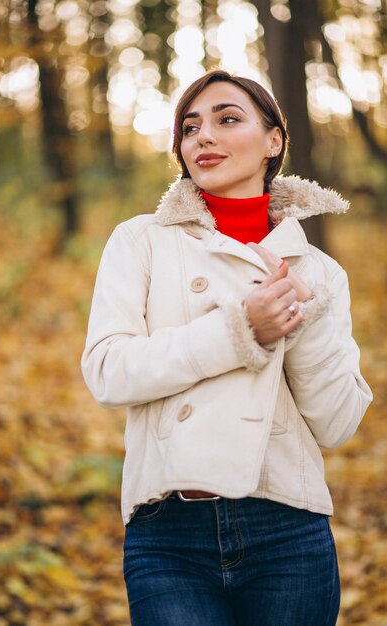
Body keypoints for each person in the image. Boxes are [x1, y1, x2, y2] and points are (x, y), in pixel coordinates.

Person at [81, 69, 372, 626]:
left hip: (288, 528)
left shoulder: (319, 272)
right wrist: (239, 331)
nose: (203, 137)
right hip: (169, 531)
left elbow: (336, 425)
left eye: (227, 119)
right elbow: (108, 372)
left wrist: (302, 319)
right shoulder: (141, 241)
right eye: (190, 128)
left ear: (274, 141)